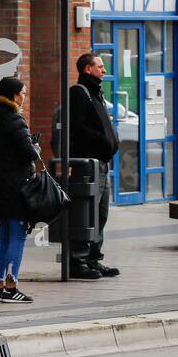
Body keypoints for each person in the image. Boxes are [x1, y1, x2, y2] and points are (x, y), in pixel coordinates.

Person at [0, 76, 43, 303]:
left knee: (3, 235)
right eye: (23, 93)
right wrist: (35, 146)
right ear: (15, 95)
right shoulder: (14, 119)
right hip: (15, 185)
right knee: (16, 236)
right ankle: (10, 286)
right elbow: (28, 153)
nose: (25, 97)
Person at [66, 53, 119, 280]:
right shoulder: (79, 93)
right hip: (87, 164)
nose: (104, 70)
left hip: (101, 164)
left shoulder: (95, 92)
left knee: (100, 214)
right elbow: (77, 127)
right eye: (100, 66)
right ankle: (77, 260)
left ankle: (93, 259)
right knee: (85, 214)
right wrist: (102, 140)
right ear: (88, 69)